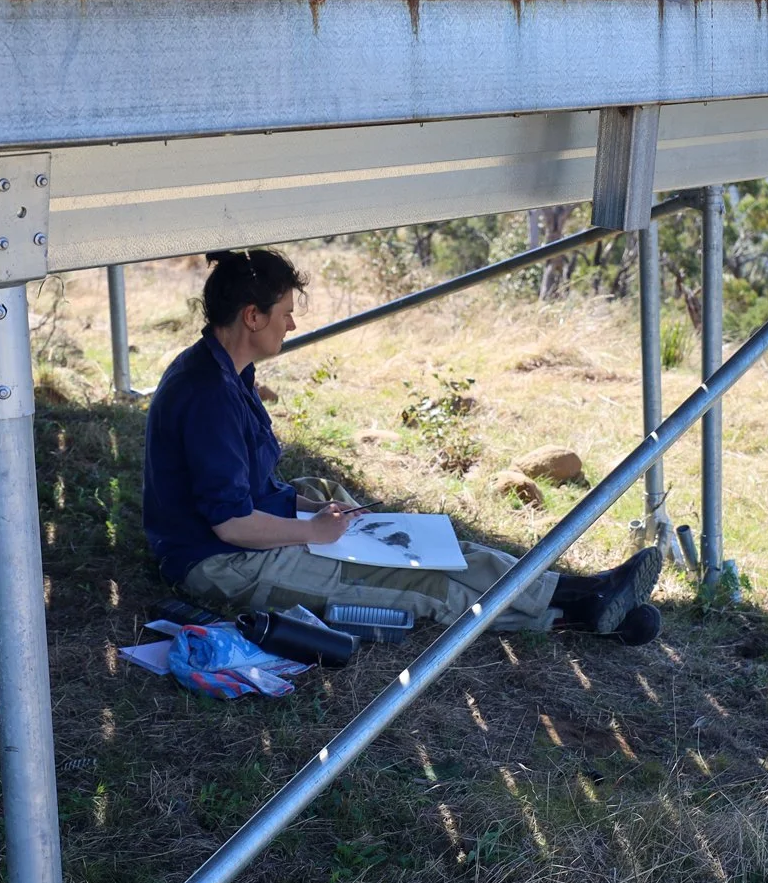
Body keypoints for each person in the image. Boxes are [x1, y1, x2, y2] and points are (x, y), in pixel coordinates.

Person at [142, 248, 662, 643]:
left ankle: (581, 590)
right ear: (252, 316)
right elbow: (230, 523)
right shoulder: (208, 395)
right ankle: (575, 614)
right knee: (421, 588)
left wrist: (312, 512)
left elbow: (249, 488)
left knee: (448, 554)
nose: (293, 323)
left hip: (247, 532)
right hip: (220, 562)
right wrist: (317, 532)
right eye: (284, 313)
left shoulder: (227, 372)